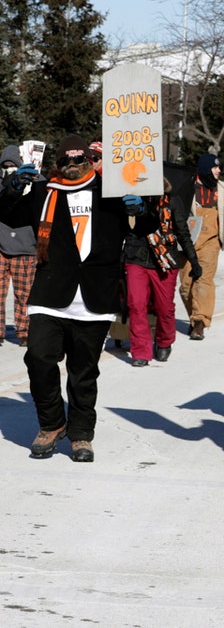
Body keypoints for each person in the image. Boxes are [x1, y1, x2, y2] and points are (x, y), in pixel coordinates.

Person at [0, 134, 153, 462]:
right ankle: (52, 423)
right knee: (39, 357)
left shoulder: (111, 191)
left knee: (83, 371)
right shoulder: (44, 192)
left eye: (79, 160)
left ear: (90, 160)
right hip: (51, 292)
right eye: (66, 161)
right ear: (57, 163)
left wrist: (140, 208)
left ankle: (81, 433)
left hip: (95, 297)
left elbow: (146, 225)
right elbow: (8, 215)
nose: (72, 166)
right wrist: (12, 188)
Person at [122, 177, 202, 366]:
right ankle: (141, 350)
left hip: (165, 259)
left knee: (164, 307)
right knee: (136, 304)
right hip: (137, 257)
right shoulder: (130, 199)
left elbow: (182, 232)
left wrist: (194, 261)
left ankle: (164, 340)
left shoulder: (172, 200)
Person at [177, 154, 224, 340]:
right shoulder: (188, 186)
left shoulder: (222, 190)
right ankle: (194, 316)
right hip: (187, 241)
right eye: (215, 167)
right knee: (186, 285)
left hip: (211, 241)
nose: (219, 171)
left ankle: (200, 321)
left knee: (204, 280)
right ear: (205, 169)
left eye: (219, 167)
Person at [0, 145, 39, 347]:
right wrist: (12, 183)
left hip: (26, 246)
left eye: (12, 166)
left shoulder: (37, 182)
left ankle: (24, 331)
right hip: (1, 246)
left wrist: (35, 179)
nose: (9, 170)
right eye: (5, 166)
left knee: (24, 293)